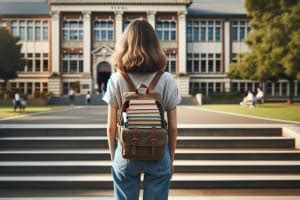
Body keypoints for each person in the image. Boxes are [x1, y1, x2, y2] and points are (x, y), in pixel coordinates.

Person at [102, 19, 181, 200]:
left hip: (126, 151)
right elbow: (174, 127)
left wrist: (114, 158)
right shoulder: (166, 79)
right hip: (159, 151)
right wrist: (171, 159)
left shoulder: (116, 79)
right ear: (154, 45)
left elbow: (110, 127)